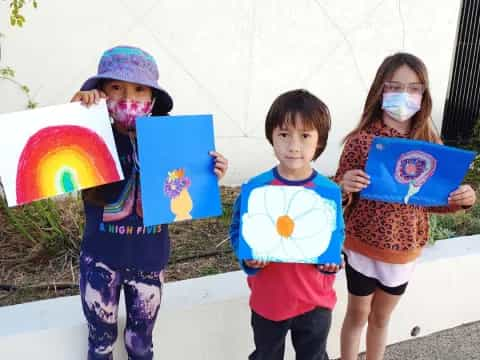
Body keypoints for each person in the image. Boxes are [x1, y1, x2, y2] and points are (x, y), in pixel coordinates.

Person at [71, 45, 228, 360]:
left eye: (139, 89)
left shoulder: (170, 140)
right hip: (99, 262)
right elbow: (59, 151)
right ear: (100, 92)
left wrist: (209, 174)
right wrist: (75, 112)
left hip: (149, 262)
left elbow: (185, 191)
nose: (128, 97)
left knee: (140, 342)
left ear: (152, 98)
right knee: (100, 341)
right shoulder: (89, 137)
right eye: (116, 87)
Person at [335, 52, 477, 360]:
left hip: (403, 250)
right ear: (380, 90)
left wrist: (462, 199)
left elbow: (437, 201)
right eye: (394, 86)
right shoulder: (361, 141)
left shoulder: (430, 143)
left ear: (423, 94)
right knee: (358, 314)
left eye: (413, 88)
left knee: (381, 318)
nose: (404, 94)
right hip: (361, 245)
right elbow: (336, 191)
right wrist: (345, 184)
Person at [230, 89, 344, 360]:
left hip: (315, 299)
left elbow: (336, 232)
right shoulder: (256, 189)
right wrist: (248, 258)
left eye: (305, 136)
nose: (294, 146)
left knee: (313, 356)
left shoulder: (328, 191)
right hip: (269, 299)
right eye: (284, 134)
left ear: (320, 141)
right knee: (267, 355)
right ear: (272, 137)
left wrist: (331, 261)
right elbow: (237, 230)